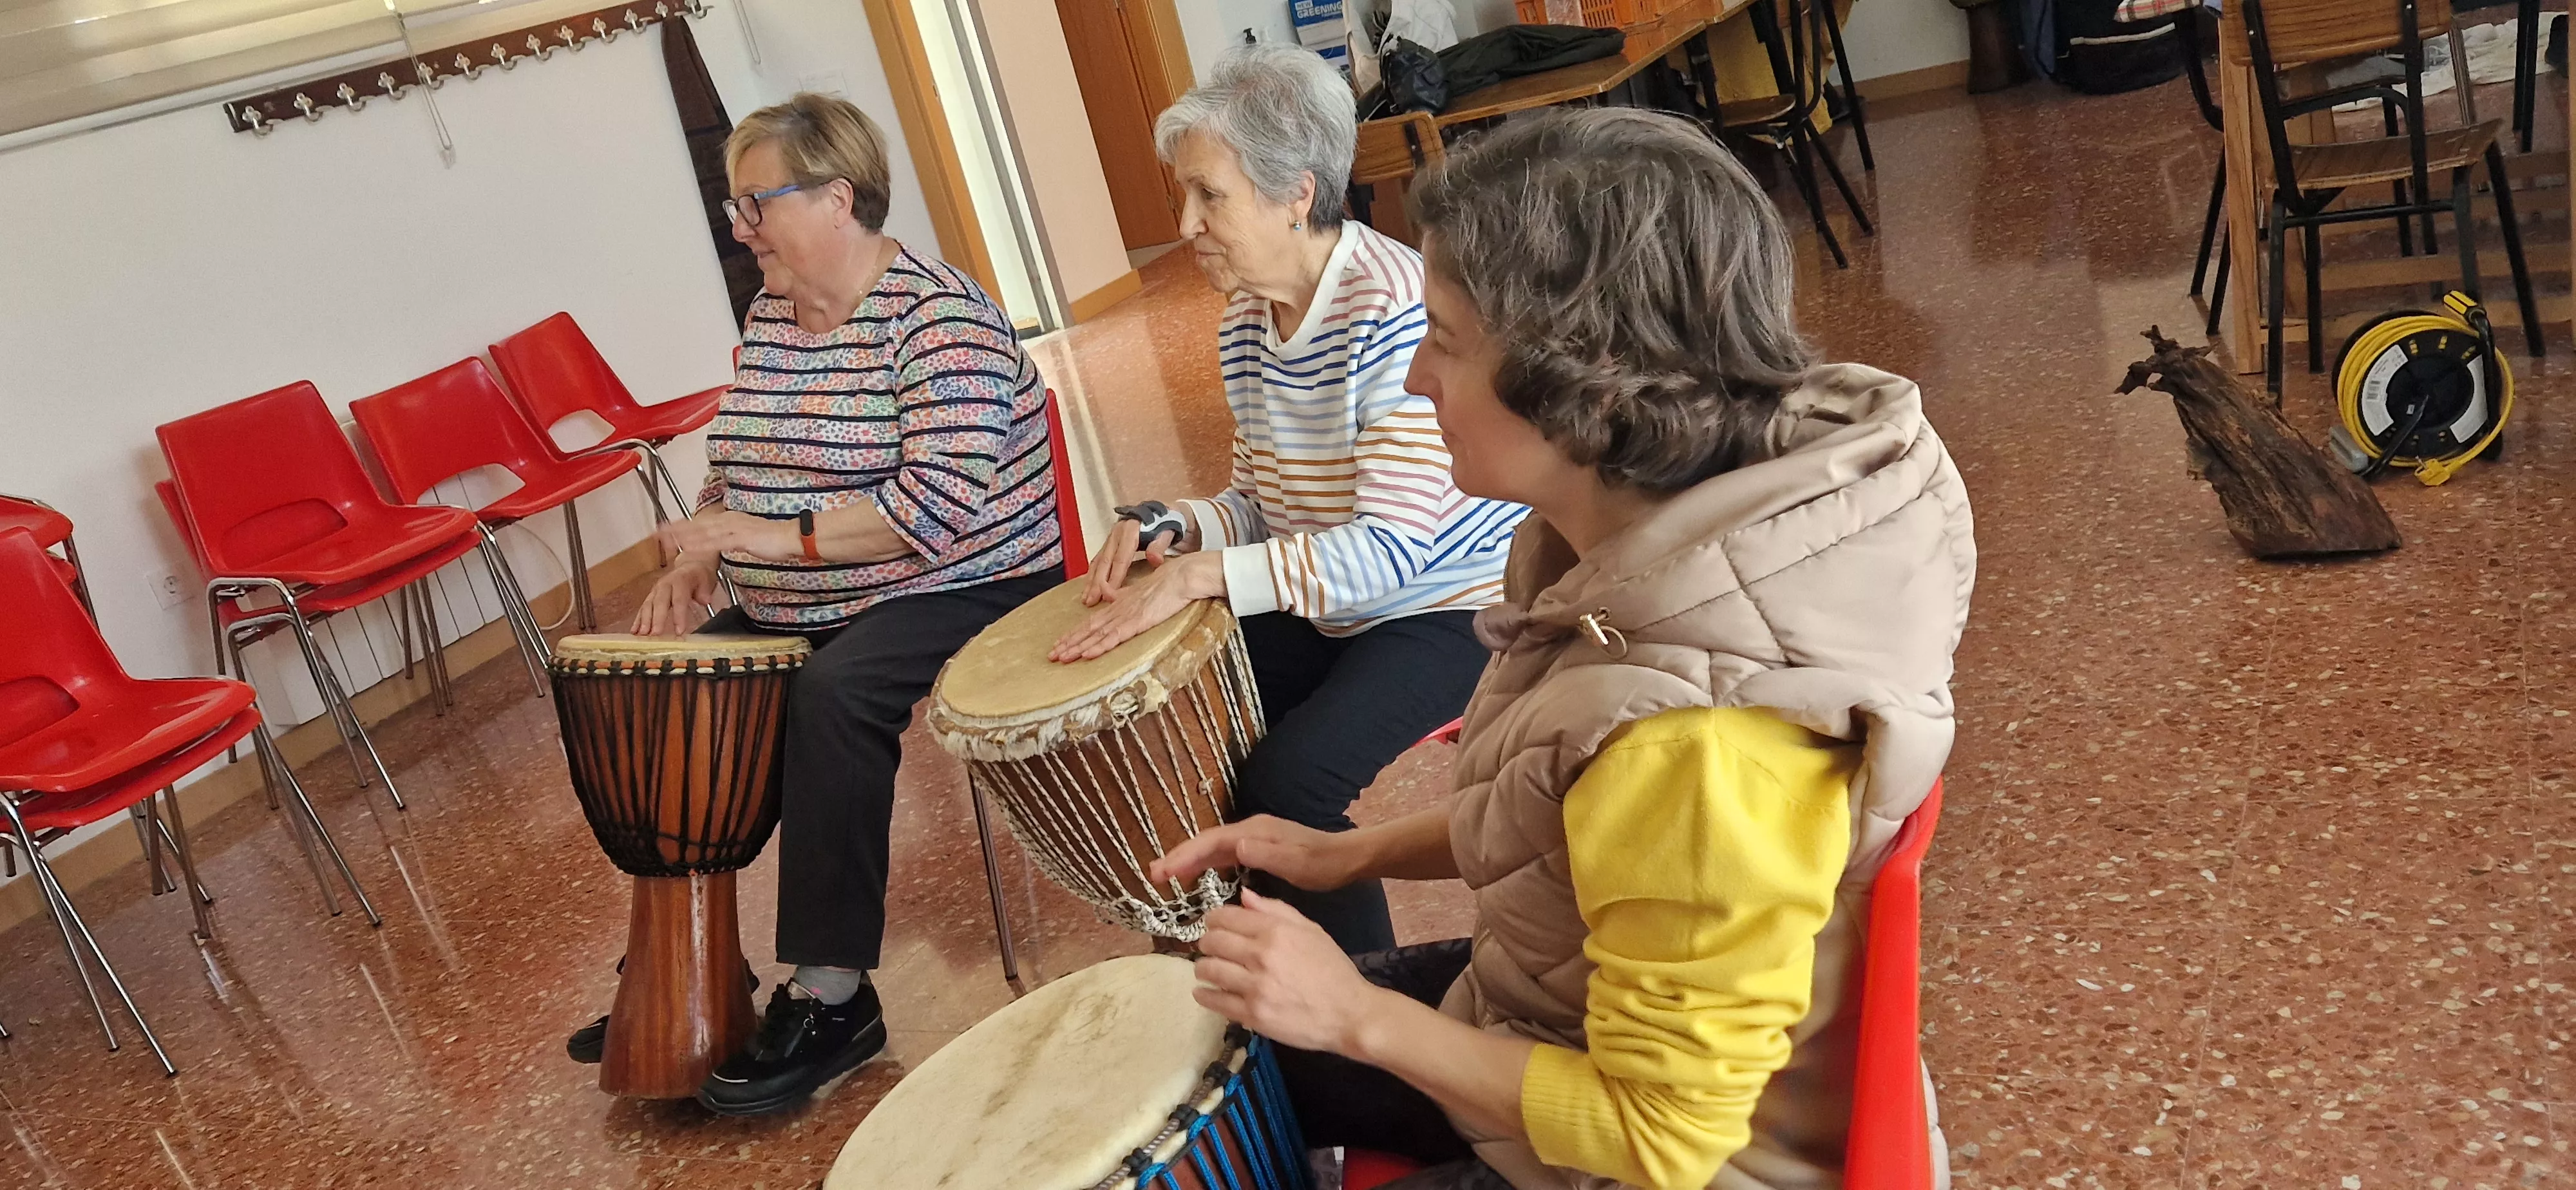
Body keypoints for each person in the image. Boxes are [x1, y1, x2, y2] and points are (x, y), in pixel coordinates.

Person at [1151, 108, 1975, 1190]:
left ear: (1579, 381)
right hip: (1560, 1018)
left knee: (1254, 1064)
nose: (1413, 383)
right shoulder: (1647, 557)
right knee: (1223, 1059)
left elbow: (1665, 1140)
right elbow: (1568, 820)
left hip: (1656, 1155)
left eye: (1442, 342)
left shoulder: (1700, 746)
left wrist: (1355, 1016)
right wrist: (1344, 855)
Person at [562, 93, 1064, 1117]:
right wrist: (702, 555)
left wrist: (758, 541)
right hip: (807, 589)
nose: (740, 229)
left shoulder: (939, 317)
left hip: (967, 579)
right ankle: (685, 969)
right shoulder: (772, 314)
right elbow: (736, 459)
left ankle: (836, 995)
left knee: (832, 694)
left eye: (757, 204)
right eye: (734, 207)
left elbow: (930, 510)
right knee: (671, 692)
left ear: (839, 199)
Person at [1050, 43, 1525, 955]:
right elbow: (1263, 504)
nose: (1184, 222)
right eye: (1183, 194)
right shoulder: (1246, 318)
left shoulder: (1387, 313)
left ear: (1297, 193)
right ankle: (1242, 980)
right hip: (1338, 598)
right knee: (1176, 720)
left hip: (1446, 603)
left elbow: (1388, 554)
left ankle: (1356, 1005)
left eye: (1209, 195)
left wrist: (1202, 578)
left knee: (1290, 780)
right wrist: (1177, 524)